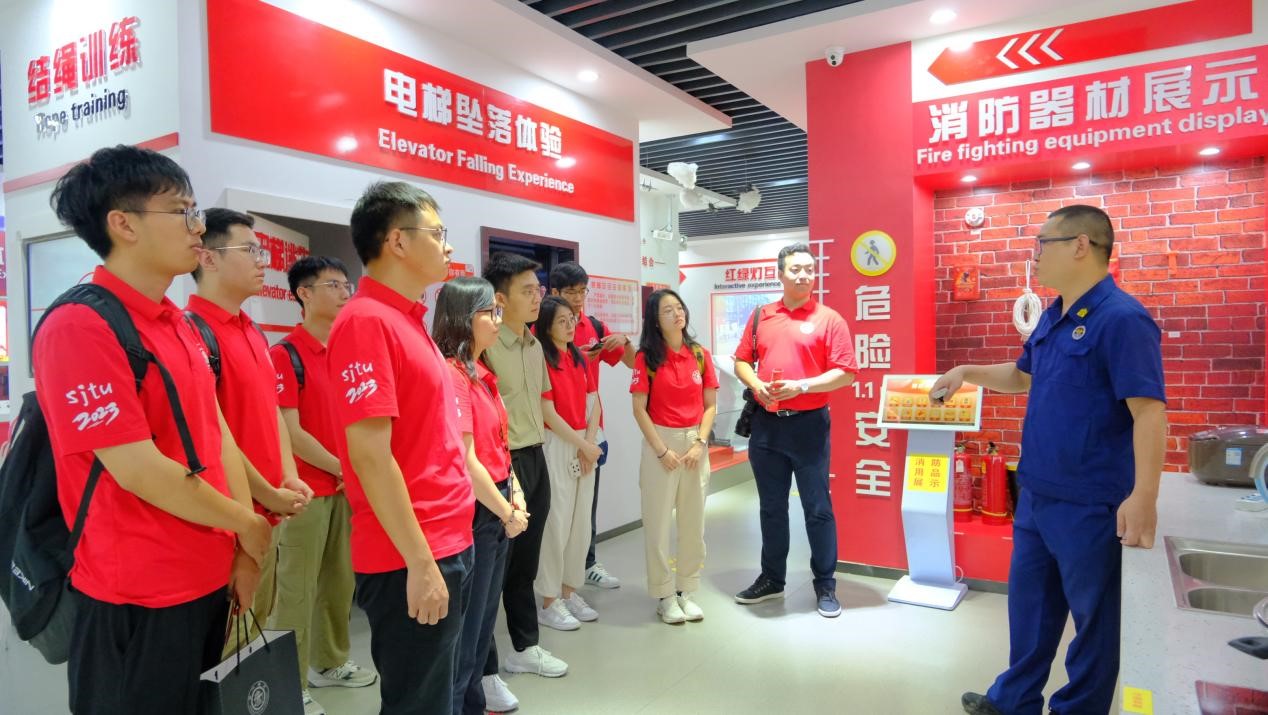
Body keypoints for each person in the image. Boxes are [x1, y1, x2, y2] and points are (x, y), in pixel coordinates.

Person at [35, 144, 271, 714]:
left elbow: (216, 433)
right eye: (182, 212)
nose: (198, 227)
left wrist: (244, 547)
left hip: (207, 578)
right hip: (136, 594)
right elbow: (137, 468)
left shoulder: (177, 323)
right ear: (124, 224)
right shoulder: (79, 325)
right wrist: (246, 522)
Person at [945, 205, 1166, 715]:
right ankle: (1014, 700)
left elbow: (1149, 412)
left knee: (1094, 622)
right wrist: (966, 371)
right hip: (1038, 494)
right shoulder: (1053, 314)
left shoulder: (1123, 319)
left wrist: (1144, 496)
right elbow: (1023, 376)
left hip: (1091, 502)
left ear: (1081, 245)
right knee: (1031, 610)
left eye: (1043, 243)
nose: (1036, 255)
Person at [327, 181, 475, 715]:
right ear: (397, 241)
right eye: (437, 233)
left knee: (440, 693)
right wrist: (420, 561)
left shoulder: (408, 320)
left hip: (446, 538)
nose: (448, 246)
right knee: (418, 703)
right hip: (411, 551)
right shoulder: (365, 322)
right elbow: (370, 456)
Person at [185, 208, 313, 659]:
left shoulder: (253, 331)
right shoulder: (192, 334)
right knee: (223, 651)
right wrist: (267, 495)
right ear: (208, 258)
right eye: (250, 251)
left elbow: (272, 413)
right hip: (227, 524)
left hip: (266, 516)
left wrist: (288, 476)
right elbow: (216, 438)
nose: (263, 262)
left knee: (251, 642)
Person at [270, 256, 377, 715]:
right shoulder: (286, 354)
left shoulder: (346, 351)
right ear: (304, 294)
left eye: (345, 284)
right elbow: (290, 432)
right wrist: (341, 467)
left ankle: (328, 661)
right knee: (296, 590)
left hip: (345, 489)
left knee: (339, 582)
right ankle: (289, 683)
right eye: (332, 285)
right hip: (305, 493)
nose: (343, 292)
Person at [732, 242, 857, 618]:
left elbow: (846, 373)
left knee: (817, 508)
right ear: (780, 274)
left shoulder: (829, 319)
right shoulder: (762, 315)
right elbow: (741, 360)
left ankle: (825, 583)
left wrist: (801, 386)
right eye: (795, 269)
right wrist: (757, 385)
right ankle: (772, 579)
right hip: (766, 426)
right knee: (771, 507)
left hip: (809, 427)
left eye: (809, 269)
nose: (804, 275)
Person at [433, 277, 531, 715]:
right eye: (489, 312)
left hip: (497, 506)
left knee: (480, 629)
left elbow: (500, 447)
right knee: (466, 636)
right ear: (462, 318)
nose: (497, 319)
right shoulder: (452, 375)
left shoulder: (482, 374)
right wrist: (507, 510)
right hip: (477, 513)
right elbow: (466, 459)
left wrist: (516, 493)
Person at [482, 252, 569, 692]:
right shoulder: (485, 346)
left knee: (525, 564)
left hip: (536, 456)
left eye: (539, 289)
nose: (538, 298)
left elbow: (539, 407)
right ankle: (484, 671)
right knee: (491, 573)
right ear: (500, 299)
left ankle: (524, 647)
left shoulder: (535, 346)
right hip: (502, 463)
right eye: (528, 291)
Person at [630, 289, 718, 624]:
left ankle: (686, 590)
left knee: (693, 523)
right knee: (657, 524)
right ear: (655, 320)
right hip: (661, 442)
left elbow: (710, 405)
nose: (677, 314)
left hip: (695, 442)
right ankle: (664, 594)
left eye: (679, 308)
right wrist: (661, 450)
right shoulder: (646, 358)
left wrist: (700, 442)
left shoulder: (699, 354)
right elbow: (639, 409)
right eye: (668, 310)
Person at [548, 261, 635, 590]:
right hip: (553, 431)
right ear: (554, 292)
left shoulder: (593, 326)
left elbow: (632, 362)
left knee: (587, 502)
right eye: (571, 292)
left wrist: (624, 340)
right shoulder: (538, 330)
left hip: (590, 428)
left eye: (583, 292)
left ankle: (586, 564)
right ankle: (552, 578)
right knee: (557, 509)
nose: (578, 299)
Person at [533, 296, 603, 631]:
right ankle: (549, 601)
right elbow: (547, 412)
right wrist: (582, 446)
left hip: (583, 444)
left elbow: (595, 403)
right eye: (562, 321)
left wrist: (588, 443)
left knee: (580, 523)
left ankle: (569, 590)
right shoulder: (542, 359)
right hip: (558, 444)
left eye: (572, 319)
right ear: (547, 326)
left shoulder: (580, 358)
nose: (570, 325)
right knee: (556, 523)